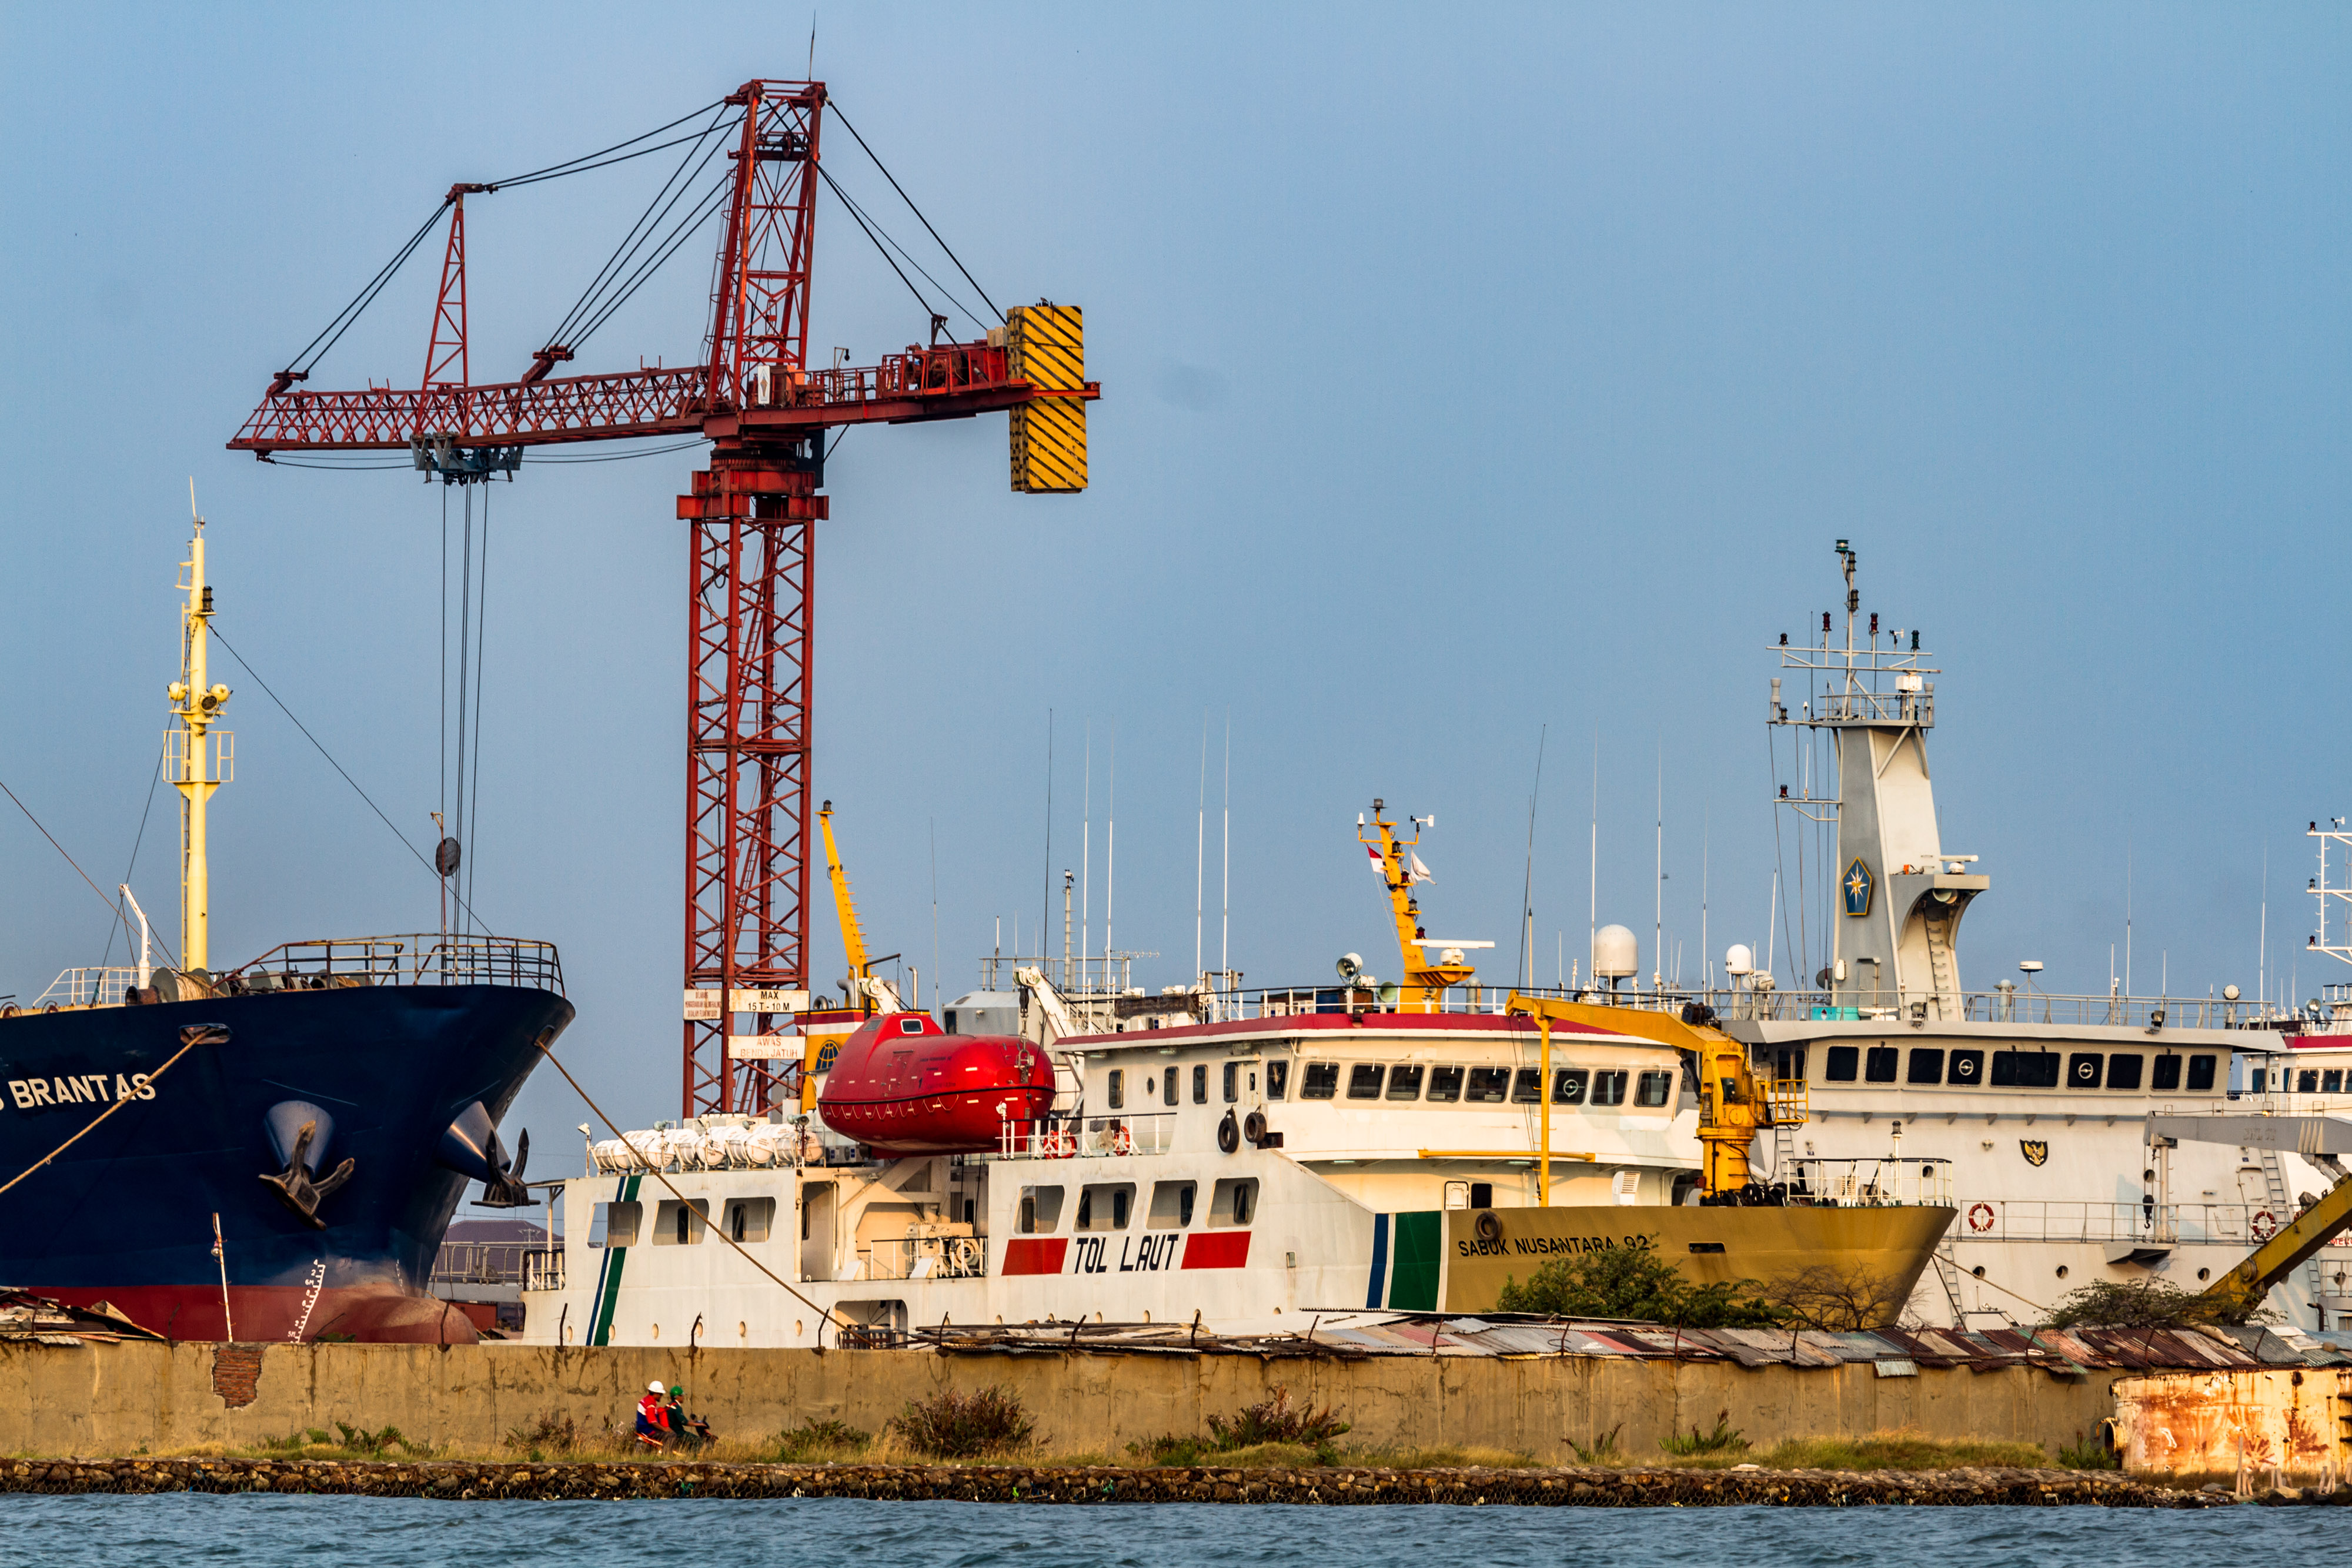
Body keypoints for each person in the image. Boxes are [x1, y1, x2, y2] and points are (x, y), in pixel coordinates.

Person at [634, 1379, 669, 1449]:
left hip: (641, 1428)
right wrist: (665, 1429)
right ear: (656, 1393)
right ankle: (667, 1453)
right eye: (661, 1394)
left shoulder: (645, 1400)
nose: (661, 1396)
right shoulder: (650, 1405)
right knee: (671, 1435)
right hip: (648, 1430)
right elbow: (653, 1422)